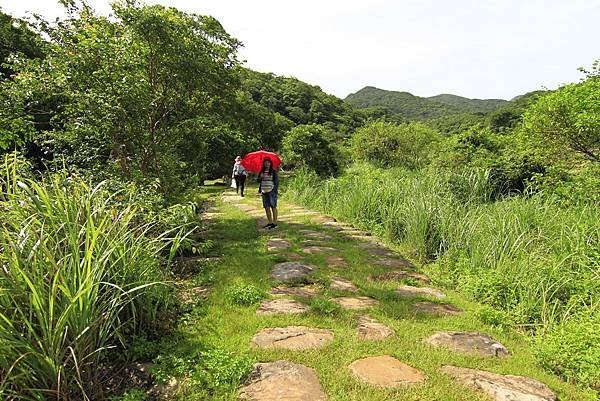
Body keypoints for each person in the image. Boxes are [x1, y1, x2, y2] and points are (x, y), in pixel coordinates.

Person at [258, 158, 279, 229]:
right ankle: (270, 222)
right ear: (264, 164)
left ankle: (275, 223)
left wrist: (274, 190)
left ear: (270, 163)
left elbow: (276, 182)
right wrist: (260, 177)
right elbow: (258, 181)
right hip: (264, 191)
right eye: (266, 162)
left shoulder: (273, 171)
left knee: (273, 206)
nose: (267, 164)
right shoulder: (262, 172)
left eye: (268, 162)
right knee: (266, 207)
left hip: (271, 191)